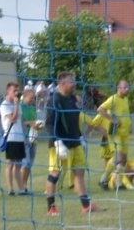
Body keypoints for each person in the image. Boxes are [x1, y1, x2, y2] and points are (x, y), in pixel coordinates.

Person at [41, 71, 102, 216]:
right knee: (55, 174)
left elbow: (75, 119)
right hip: (60, 144)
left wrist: (80, 136)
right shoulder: (54, 100)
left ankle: (86, 206)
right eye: (71, 81)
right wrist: (58, 143)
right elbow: (49, 123)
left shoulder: (73, 98)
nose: (74, 84)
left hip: (75, 142)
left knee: (79, 172)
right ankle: (51, 207)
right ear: (62, 83)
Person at [96, 79, 134, 191]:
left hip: (125, 134)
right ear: (119, 87)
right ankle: (103, 179)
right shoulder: (113, 99)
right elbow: (100, 109)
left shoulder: (126, 99)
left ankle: (118, 183)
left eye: (128, 87)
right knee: (118, 157)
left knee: (124, 159)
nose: (127, 89)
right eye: (125, 87)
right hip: (115, 133)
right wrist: (112, 120)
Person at [0, 82, 26, 195]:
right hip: (11, 137)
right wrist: (15, 105)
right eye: (14, 90)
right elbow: (13, 119)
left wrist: (26, 136)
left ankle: (21, 189)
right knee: (10, 164)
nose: (16, 93)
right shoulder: (4, 105)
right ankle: (10, 189)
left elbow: (21, 121)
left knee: (18, 165)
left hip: (19, 138)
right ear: (8, 91)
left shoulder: (17, 104)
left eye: (17, 90)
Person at [18, 86, 39, 194]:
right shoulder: (20, 107)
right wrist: (30, 123)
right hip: (24, 138)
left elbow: (33, 121)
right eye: (31, 98)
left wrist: (37, 125)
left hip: (33, 138)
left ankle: (25, 186)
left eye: (34, 98)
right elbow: (20, 123)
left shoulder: (32, 108)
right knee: (25, 163)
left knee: (30, 164)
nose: (32, 100)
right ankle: (21, 188)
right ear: (24, 97)